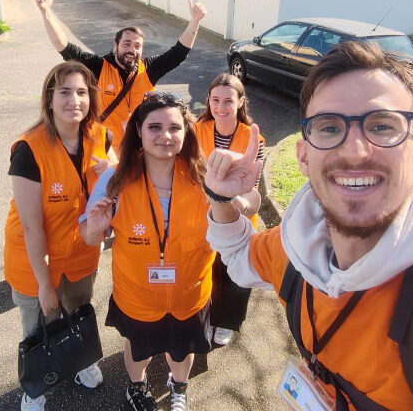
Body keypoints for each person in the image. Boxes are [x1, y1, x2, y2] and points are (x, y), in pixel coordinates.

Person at [204, 41, 413, 411]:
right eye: (329, 127)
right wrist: (221, 199)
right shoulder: (295, 248)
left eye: (382, 126)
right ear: (303, 156)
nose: (355, 151)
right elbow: (238, 257)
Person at [80, 91, 215, 411]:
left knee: (181, 351)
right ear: (138, 130)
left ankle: (179, 386)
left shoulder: (204, 177)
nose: (165, 135)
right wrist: (96, 227)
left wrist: (242, 200)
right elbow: (89, 237)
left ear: (186, 132)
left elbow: (238, 216)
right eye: (155, 127)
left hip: (189, 294)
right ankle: (136, 386)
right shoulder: (116, 179)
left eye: (174, 128)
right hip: (137, 295)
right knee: (138, 350)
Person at [4, 61, 117, 411]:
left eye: (82, 92)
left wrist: (114, 170)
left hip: (82, 251)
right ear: (49, 99)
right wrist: (44, 284)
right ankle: (36, 385)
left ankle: (82, 360)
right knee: (40, 325)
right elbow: (32, 226)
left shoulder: (101, 136)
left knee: (79, 310)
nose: (74, 100)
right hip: (35, 258)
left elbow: (115, 177)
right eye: (64, 92)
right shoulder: (29, 149)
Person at [35, 0, 207, 152]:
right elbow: (65, 48)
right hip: (104, 151)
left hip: (138, 152)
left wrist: (195, 21)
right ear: (115, 45)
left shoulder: (148, 70)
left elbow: (178, 53)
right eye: (126, 44)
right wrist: (45, 12)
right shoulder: (99, 67)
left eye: (137, 46)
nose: (132, 50)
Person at [195, 73, 264, 346]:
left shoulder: (253, 139)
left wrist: (237, 203)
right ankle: (210, 315)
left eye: (228, 101)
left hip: (237, 217)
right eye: (215, 100)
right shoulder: (197, 129)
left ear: (240, 102)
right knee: (208, 270)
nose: (220, 107)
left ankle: (226, 322)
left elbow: (252, 186)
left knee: (233, 275)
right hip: (201, 215)